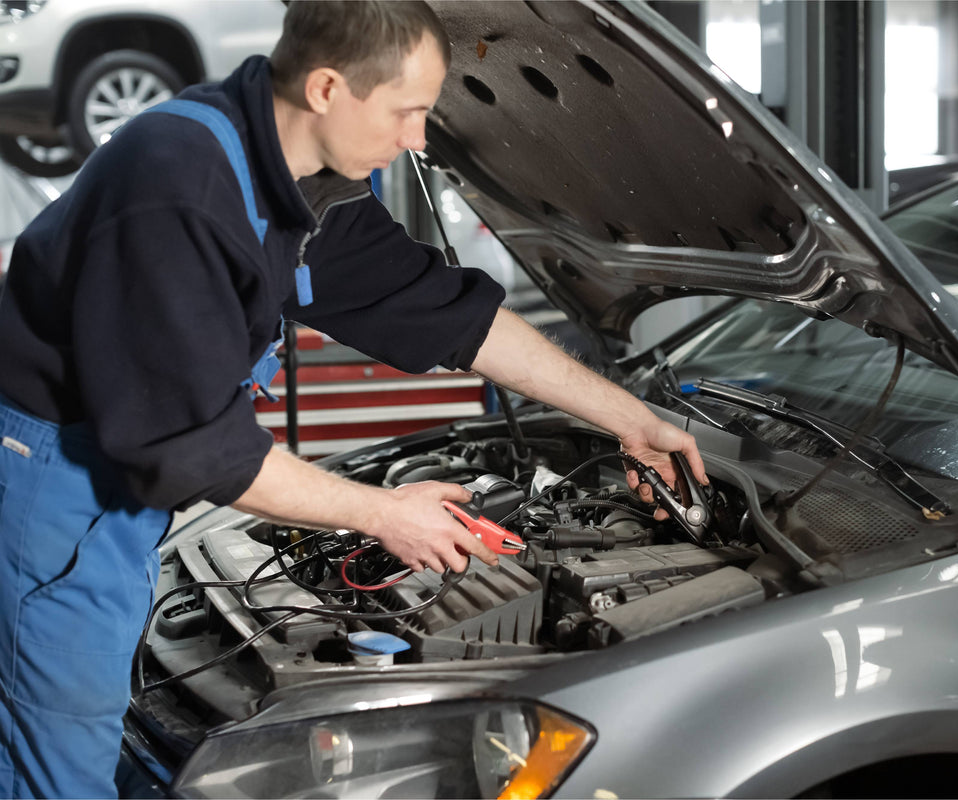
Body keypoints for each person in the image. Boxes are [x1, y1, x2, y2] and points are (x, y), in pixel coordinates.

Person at [0, 2, 706, 796]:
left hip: (112, 479)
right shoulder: (180, 186)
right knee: (57, 761)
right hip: (52, 486)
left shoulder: (297, 179)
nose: (418, 139)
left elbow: (444, 309)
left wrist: (633, 420)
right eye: (409, 112)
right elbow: (188, 445)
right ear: (329, 87)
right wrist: (382, 512)